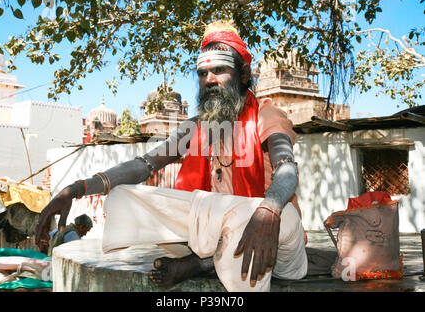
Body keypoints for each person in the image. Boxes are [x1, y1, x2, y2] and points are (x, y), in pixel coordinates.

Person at [36, 21, 307, 291]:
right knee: (122, 198)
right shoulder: (196, 127)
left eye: (220, 70)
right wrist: (77, 189)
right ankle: (206, 258)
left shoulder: (266, 116)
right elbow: (145, 165)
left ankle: (200, 263)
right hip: (217, 231)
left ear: (244, 75)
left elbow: (287, 169)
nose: (209, 80)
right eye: (202, 73)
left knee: (258, 216)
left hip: (273, 234)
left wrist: (269, 208)